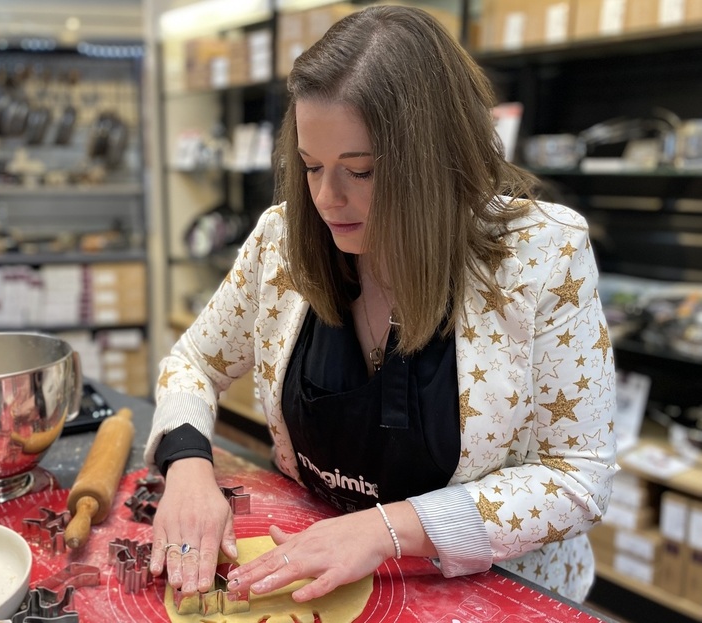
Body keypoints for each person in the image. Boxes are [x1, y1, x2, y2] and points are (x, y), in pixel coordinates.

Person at [145, 4, 617, 605]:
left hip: (484, 592)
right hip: (315, 573)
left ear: (435, 161)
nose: (325, 198)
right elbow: (195, 362)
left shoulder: (540, 257)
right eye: (311, 166)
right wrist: (187, 467)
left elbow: (577, 477)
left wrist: (386, 531)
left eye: (360, 171)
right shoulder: (284, 241)